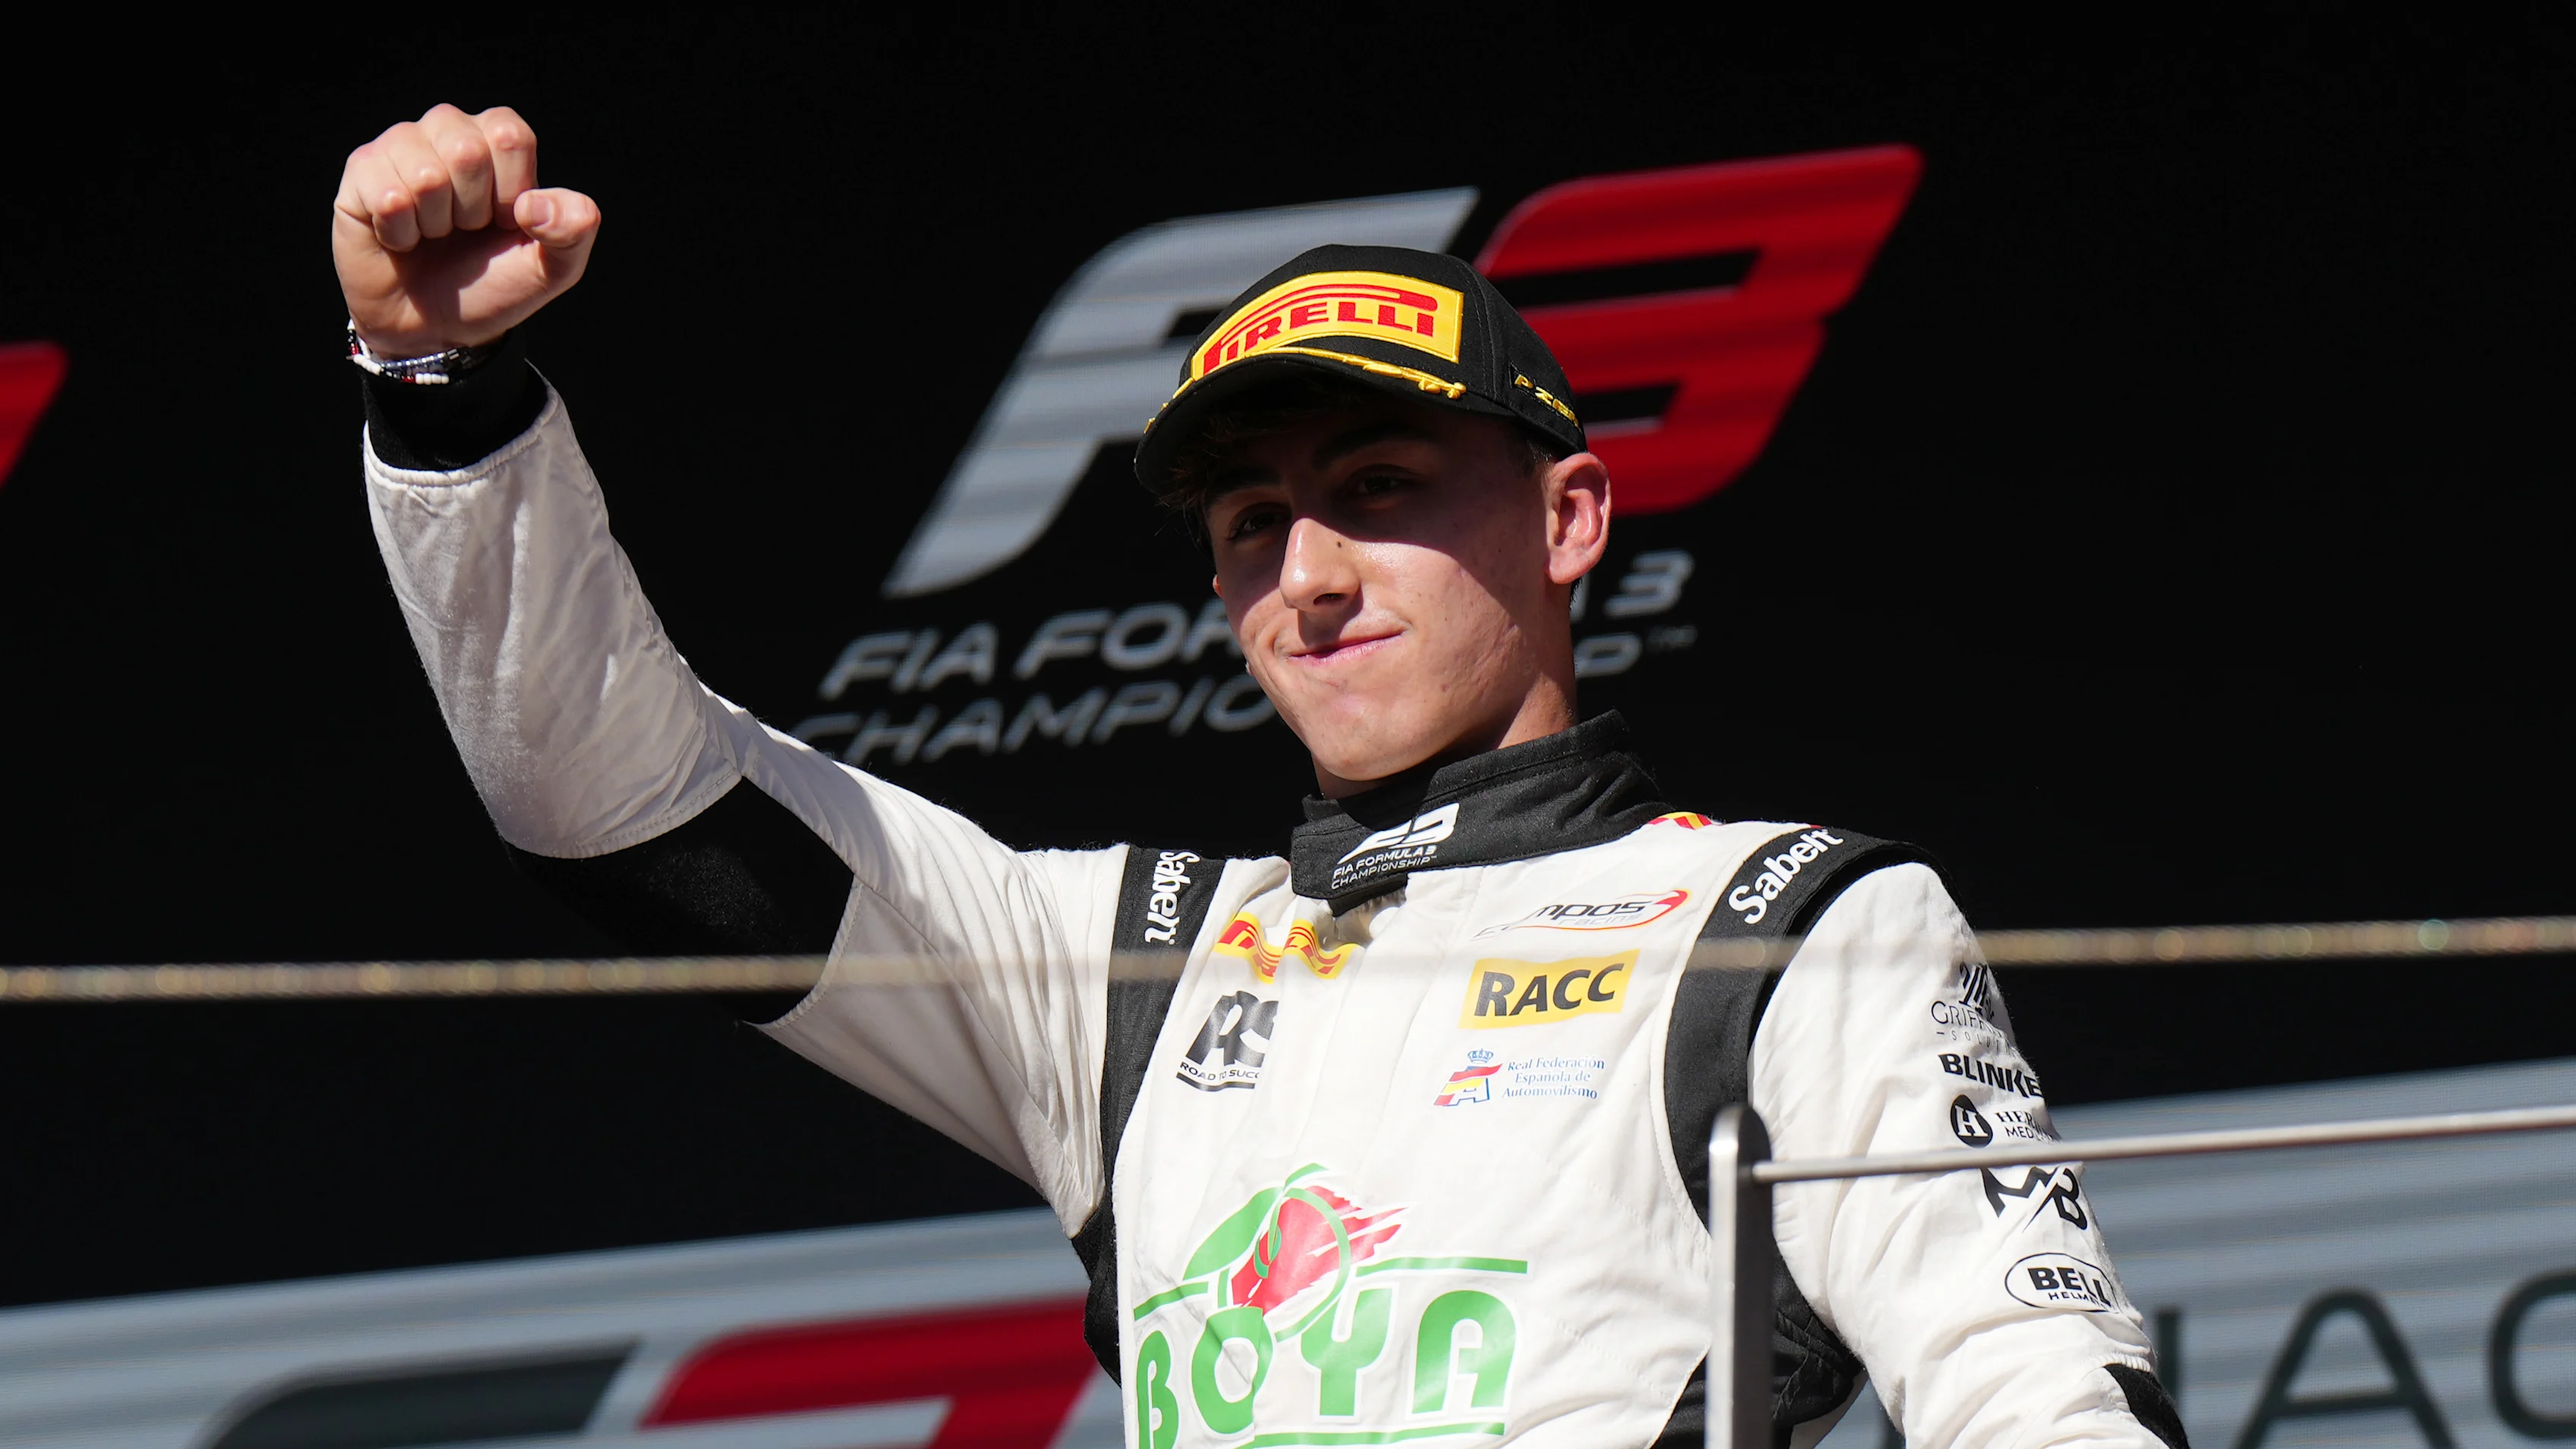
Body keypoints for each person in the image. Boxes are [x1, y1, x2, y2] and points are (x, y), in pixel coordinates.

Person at [336, 103, 2185, 1449]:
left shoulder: (1786, 920)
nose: (1303, 574)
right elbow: (620, 810)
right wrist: (440, 394)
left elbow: (2031, 1393)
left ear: (1570, 517)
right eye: (1247, 522)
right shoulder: (1124, 962)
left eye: (1377, 490)